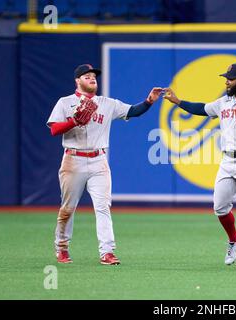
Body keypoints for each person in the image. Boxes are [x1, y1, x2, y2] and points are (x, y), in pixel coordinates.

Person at [47, 64, 163, 265]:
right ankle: (62, 247)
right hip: (73, 159)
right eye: (87, 76)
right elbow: (54, 130)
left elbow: (133, 111)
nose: (92, 78)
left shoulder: (107, 103)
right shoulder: (65, 102)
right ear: (77, 81)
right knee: (68, 208)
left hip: (99, 160)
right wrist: (74, 121)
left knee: (103, 207)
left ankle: (107, 252)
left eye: (94, 76)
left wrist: (149, 101)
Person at [163, 63, 236, 267]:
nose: (226, 82)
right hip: (227, 160)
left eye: (230, 79)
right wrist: (177, 101)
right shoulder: (224, 102)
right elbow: (200, 108)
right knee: (220, 206)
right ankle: (234, 239)